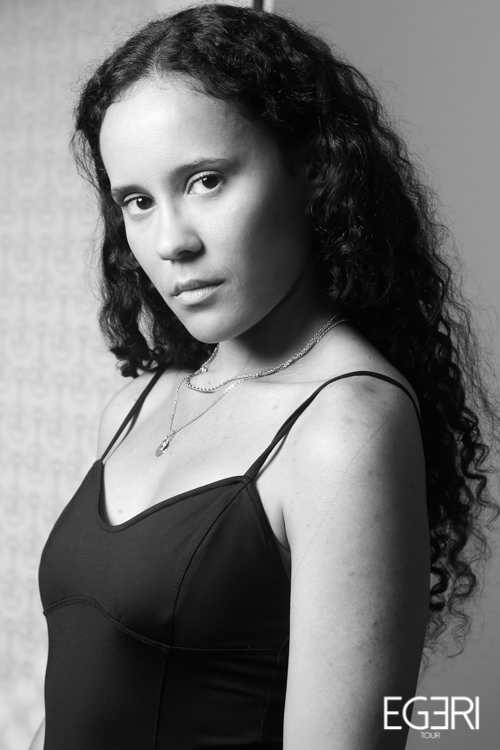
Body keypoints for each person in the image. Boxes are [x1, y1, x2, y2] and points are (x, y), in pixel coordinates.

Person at [30, 4, 498, 749]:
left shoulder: (345, 428)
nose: (171, 242)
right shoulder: (137, 405)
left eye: (205, 181)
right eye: (138, 202)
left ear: (310, 169)